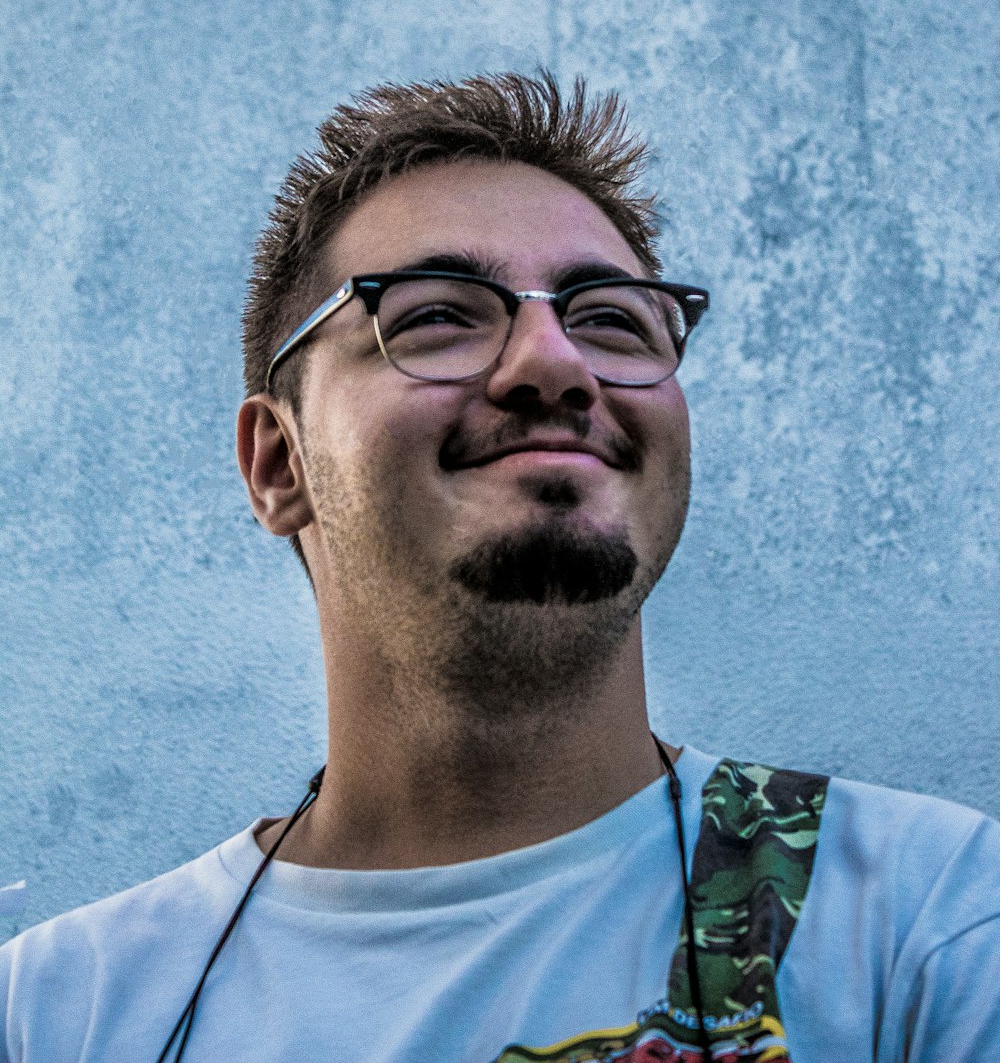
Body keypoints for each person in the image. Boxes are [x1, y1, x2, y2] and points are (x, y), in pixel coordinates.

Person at [2, 71, 999, 1063]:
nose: (555, 364)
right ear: (278, 463)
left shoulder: (929, 918)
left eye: (611, 319)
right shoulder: (61, 1013)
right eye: (437, 314)